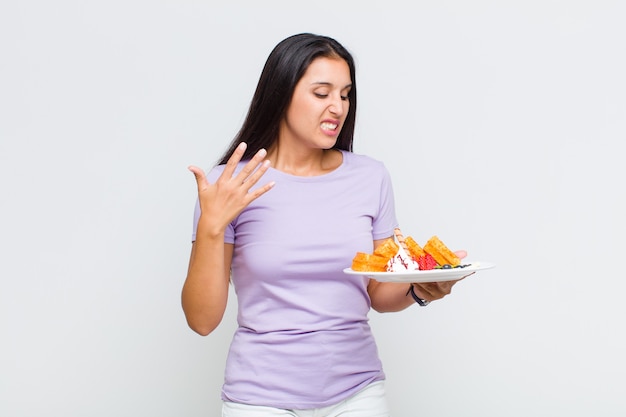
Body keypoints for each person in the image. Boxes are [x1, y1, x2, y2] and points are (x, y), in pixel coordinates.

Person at [182, 33, 467, 417]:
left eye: (345, 94)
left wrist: (421, 288)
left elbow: (379, 292)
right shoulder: (229, 185)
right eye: (322, 93)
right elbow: (202, 320)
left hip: (358, 392)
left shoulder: (370, 177)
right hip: (260, 398)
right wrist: (211, 228)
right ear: (281, 94)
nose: (338, 107)